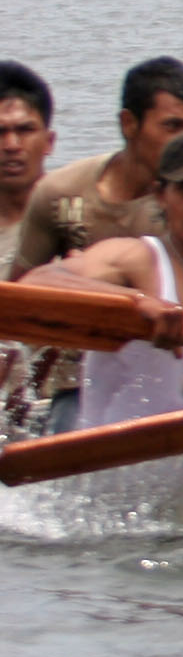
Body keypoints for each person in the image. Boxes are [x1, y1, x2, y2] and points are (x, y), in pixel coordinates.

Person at [24, 130, 183, 509]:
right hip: (89, 502)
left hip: (173, 504)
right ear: (160, 195)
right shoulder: (134, 258)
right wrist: (135, 302)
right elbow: (37, 281)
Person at [10, 57, 183, 434]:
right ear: (129, 124)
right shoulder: (61, 193)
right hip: (77, 385)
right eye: (173, 127)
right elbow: (18, 306)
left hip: (163, 378)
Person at [0, 62, 56, 429]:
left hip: (58, 408)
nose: (11, 146)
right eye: (0, 132)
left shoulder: (78, 222)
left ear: (49, 141)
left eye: (24, 130)